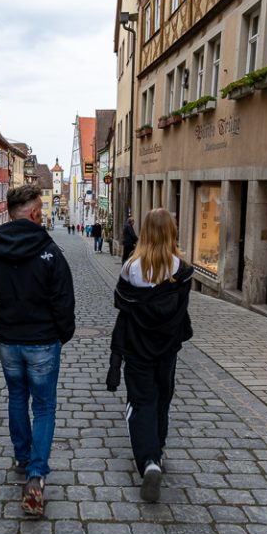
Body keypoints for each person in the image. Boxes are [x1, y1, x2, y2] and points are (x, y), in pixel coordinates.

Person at [0, 185, 76, 517]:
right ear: (33, 212)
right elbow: (64, 300)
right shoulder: (49, 251)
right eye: (40, 210)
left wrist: (0, 324)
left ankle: (21, 455)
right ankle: (36, 474)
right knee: (44, 406)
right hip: (43, 341)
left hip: (9, 342)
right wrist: (63, 333)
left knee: (17, 397)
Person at [106, 208, 193, 503]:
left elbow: (123, 306)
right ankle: (159, 445)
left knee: (141, 400)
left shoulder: (131, 267)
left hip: (137, 347)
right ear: (171, 232)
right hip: (167, 348)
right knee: (162, 396)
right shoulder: (180, 269)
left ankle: (149, 461)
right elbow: (181, 311)